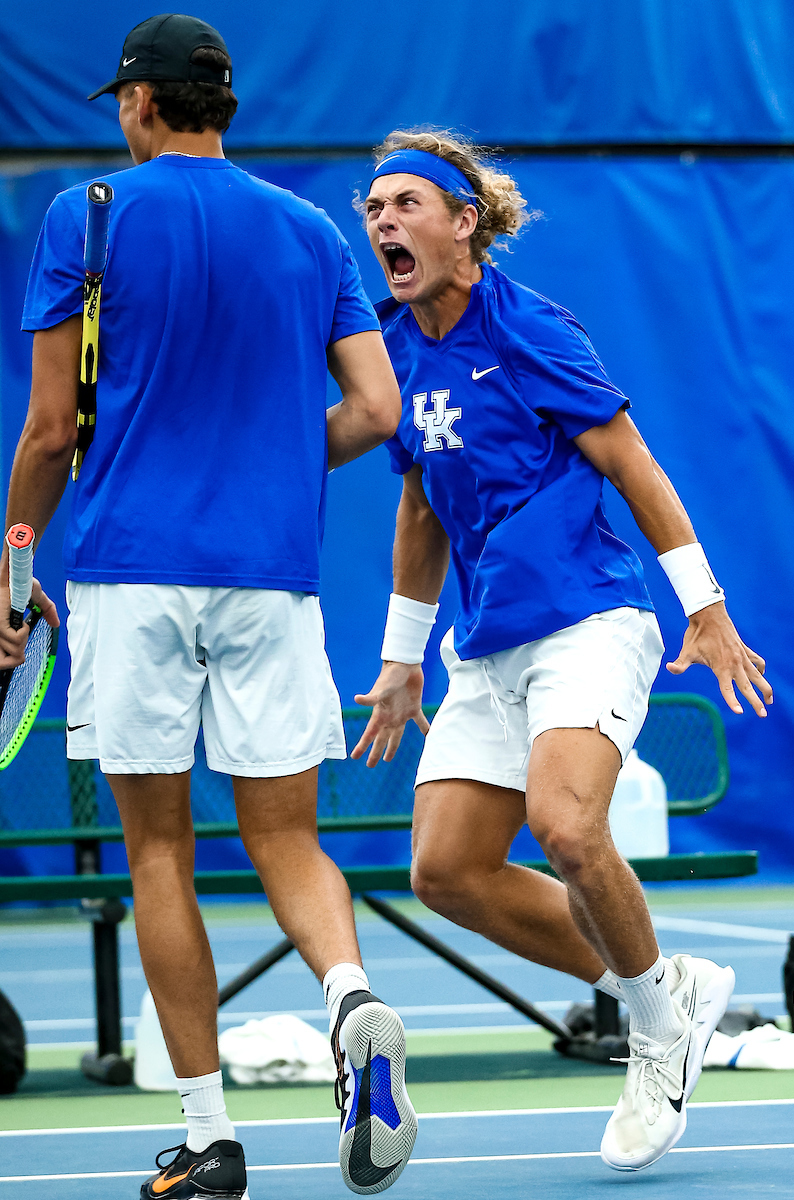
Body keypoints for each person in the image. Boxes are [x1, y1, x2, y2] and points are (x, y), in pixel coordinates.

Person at [0, 18, 417, 1200]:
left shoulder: (85, 218)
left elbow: (44, 434)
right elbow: (375, 410)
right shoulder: (309, 229)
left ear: (139, 104)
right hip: (271, 579)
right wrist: (280, 459)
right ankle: (353, 1004)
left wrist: (13, 575)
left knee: (159, 852)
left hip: (132, 574)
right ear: (219, 106)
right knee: (286, 838)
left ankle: (211, 1140)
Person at [352, 129, 773, 1173]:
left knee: (564, 825)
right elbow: (419, 505)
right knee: (446, 869)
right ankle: (658, 982)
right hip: (484, 642)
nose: (383, 222)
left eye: (406, 203)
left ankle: (654, 1036)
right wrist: (403, 658)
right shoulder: (388, 344)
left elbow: (630, 462)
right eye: (372, 208)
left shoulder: (532, 330)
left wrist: (703, 609)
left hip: (590, 618)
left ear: (464, 224)